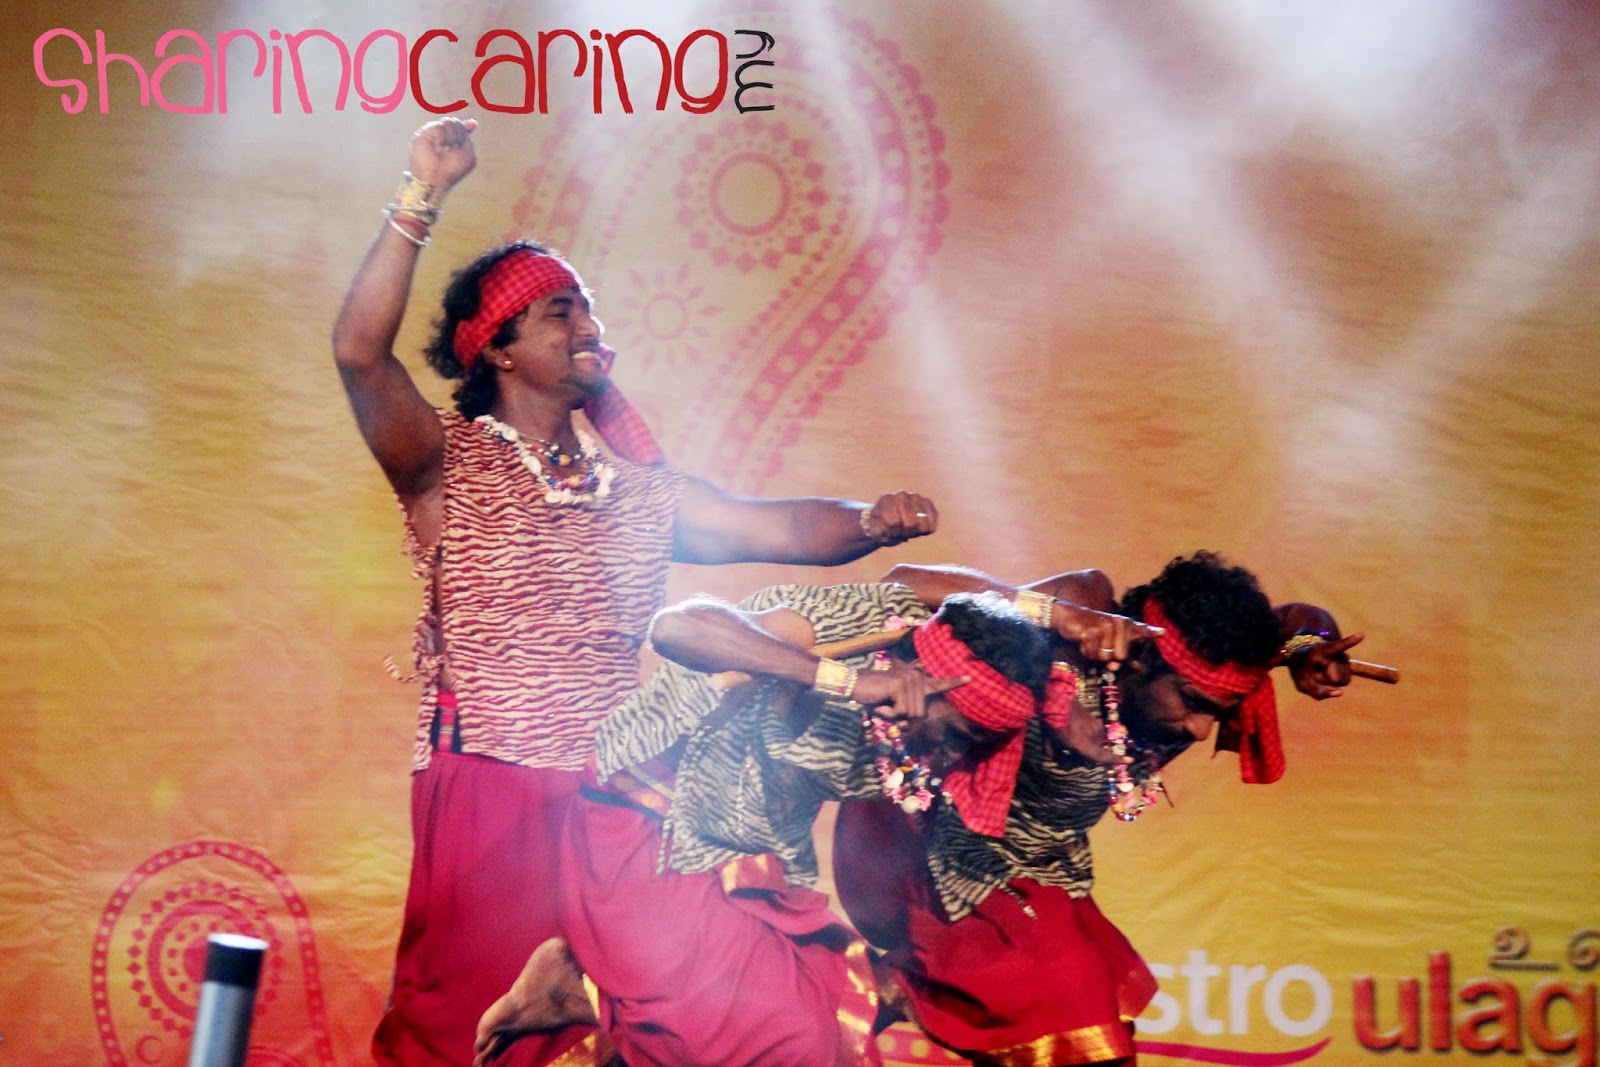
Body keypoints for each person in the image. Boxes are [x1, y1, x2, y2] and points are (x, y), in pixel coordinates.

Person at [331, 116, 941, 1067]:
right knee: (463, 1028)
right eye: (560, 312)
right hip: (491, 785)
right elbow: (362, 355)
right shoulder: (449, 461)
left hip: (617, 796)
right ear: (498, 348)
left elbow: (778, 528)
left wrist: (871, 519)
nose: (589, 328)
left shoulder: (641, 490)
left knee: (631, 1028)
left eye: (590, 310)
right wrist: (423, 194)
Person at [473, 585, 1076, 1066]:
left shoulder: (939, 688)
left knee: (812, 1032)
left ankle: (583, 987)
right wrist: (848, 680)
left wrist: (1071, 735)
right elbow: (677, 628)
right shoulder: (835, 627)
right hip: (649, 826)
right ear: (926, 678)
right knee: (782, 1043)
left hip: (745, 855)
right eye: (958, 736)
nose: (955, 757)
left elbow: (936, 587)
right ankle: (577, 987)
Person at [833, 553, 1363, 1066]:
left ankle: (850, 998)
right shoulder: (1084, 615)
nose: (1201, 730)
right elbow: (904, 580)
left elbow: (1293, 622)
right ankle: (869, 987)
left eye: (1217, 713)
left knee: (1090, 1028)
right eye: (1191, 702)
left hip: (1037, 865)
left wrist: (1308, 644)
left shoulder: (1217, 666)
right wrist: (1059, 619)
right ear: (1141, 658)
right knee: (1073, 996)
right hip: (924, 843)